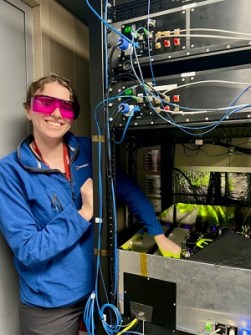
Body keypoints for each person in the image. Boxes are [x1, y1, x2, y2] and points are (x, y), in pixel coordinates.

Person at [0, 74, 181, 335]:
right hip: (49, 306)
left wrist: (158, 234)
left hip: (99, 290)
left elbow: (128, 188)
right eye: (45, 103)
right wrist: (84, 212)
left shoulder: (88, 150)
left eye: (66, 107)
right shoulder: (10, 172)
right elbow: (29, 249)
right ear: (29, 109)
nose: (56, 113)